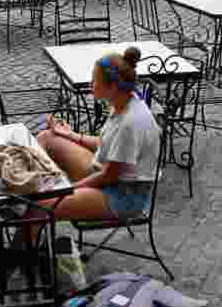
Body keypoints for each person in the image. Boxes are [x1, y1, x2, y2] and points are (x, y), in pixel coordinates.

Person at [36, 47, 160, 223]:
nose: (90, 84)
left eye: (95, 80)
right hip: (105, 173)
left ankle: (26, 244)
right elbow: (106, 144)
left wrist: (67, 190)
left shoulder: (129, 123)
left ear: (113, 87)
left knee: (41, 206)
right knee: (47, 138)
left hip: (122, 196)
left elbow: (109, 176)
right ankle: (34, 189)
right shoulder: (124, 101)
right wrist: (72, 135)